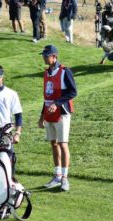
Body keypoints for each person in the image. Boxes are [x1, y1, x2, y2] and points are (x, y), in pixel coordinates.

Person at [38, 45, 77, 192]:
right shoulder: (46, 73)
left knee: (63, 144)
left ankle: (65, 179)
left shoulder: (65, 72)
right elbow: (46, 97)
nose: (44, 57)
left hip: (62, 113)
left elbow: (73, 92)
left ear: (54, 56)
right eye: (43, 55)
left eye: (46, 55)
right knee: (53, 144)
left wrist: (57, 103)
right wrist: (41, 116)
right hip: (49, 113)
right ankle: (57, 176)